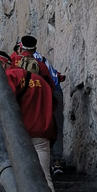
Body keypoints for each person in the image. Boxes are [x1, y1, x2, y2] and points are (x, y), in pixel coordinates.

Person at [12, 34, 66, 174]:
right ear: (35, 48)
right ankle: (56, 162)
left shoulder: (14, 60)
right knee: (55, 127)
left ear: (20, 47)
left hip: (33, 99)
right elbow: (53, 80)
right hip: (52, 95)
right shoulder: (42, 61)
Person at [4, 55, 56, 192]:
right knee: (45, 176)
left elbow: (5, 99)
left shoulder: (14, 75)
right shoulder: (44, 83)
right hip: (42, 133)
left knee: (19, 174)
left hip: (22, 132)